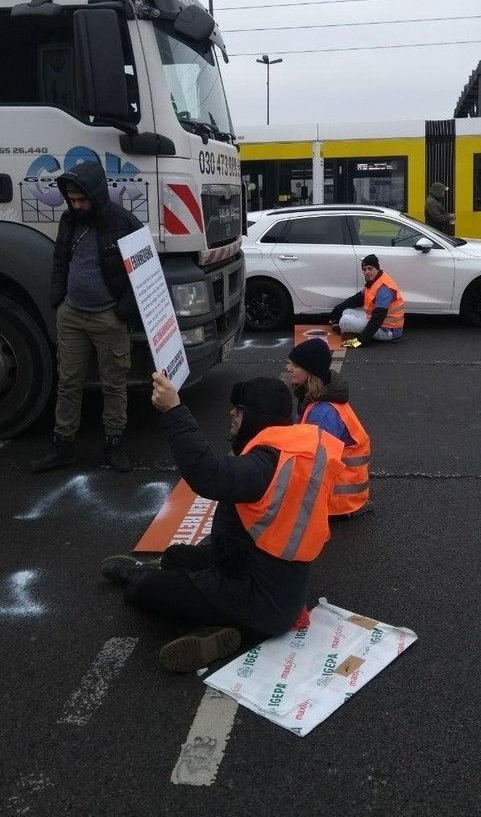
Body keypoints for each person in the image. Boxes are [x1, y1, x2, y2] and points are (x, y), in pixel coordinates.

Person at [100, 374, 343, 673]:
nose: (231, 413)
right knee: (176, 557)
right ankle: (222, 623)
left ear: (255, 416)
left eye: (238, 409)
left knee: (145, 591)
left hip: (257, 596)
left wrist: (173, 410)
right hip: (268, 575)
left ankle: (221, 628)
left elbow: (207, 474)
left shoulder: (263, 464)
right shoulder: (293, 447)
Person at [32, 160, 143, 474]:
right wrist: (59, 300)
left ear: (96, 194)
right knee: (68, 383)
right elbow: (59, 261)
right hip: (72, 315)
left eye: (82, 200)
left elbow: (144, 271)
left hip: (108, 318)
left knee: (114, 384)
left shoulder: (124, 223)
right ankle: (63, 446)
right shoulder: (69, 220)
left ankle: (114, 446)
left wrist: (121, 311)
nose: (77, 206)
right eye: (72, 200)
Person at [287, 338, 371, 517]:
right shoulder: (320, 400)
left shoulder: (323, 413)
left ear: (310, 372)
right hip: (343, 496)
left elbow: (318, 463)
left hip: (336, 502)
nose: (289, 369)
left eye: (295, 365)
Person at [330, 254, 405, 344]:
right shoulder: (375, 280)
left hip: (388, 331)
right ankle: (347, 328)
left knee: (345, 320)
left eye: (370, 268)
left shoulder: (383, 288)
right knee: (346, 311)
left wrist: (358, 342)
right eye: (364, 269)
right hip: (381, 323)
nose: (367, 272)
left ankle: (347, 328)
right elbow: (356, 299)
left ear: (377, 269)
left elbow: (377, 319)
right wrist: (336, 310)